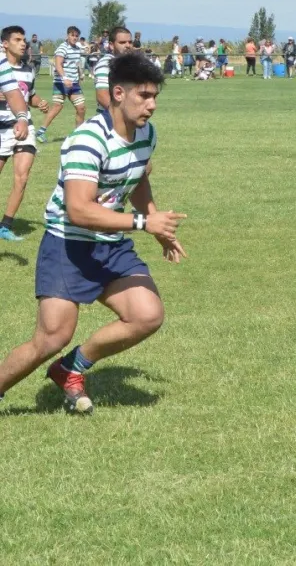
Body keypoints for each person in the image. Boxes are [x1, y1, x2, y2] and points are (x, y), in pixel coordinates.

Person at [0, 52, 186, 414]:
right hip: (68, 244)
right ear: (118, 93)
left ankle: (71, 368)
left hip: (109, 244)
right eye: (143, 96)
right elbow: (80, 209)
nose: (151, 106)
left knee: (147, 315)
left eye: (155, 98)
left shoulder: (146, 133)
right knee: (52, 336)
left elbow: (139, 179)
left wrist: (155, 222)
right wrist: (143, 223)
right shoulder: (88, 140)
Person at [0, 25, 45, 241]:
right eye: (17, 39)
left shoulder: (28, 70)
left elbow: (29, 96)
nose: (23, 43)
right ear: (5, 43)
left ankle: (5, 225)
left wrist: (39, 103)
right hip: (1, 128)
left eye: (24, 39)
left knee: (22, 176)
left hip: (24, 126)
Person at [36, 26, 85, 143]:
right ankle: (40, 132)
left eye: (76, 36)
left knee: (81, 108)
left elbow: (76, 64)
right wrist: (65, 78)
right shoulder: (62, 48)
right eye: (72, 35)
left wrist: (80, 74)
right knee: (58, 106)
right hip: (61, 83)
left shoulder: (77, 49)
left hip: (74, 83)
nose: (74, 38)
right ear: (67, 36)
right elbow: (58, 65)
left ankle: (78, 134)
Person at [91, 26, 135, 113]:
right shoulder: (106, 64)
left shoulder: (130, 64)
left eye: (130, 42)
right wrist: (121, 114)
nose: (127, 45)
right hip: (109, 120)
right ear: (111, 45)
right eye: (122, 42)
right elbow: (102, 95)